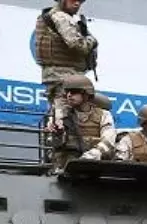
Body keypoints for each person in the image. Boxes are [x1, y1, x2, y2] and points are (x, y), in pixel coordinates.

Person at [34, 0, 98, 135]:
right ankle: (63, 151)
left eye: (80, 1)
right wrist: (92, 40)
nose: (77, 3)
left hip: (57, 75)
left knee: (57, 115)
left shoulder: (51, 16)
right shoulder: (61, 17)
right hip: (66, 76)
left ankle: (56, 149)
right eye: (73, 0)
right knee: (65, 118)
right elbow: (77, 44)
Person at [49, 74, 114, 172]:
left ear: (86, 94)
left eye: (74, 91)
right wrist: (57, 133)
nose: (69, 95)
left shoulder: (103, 115)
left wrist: (91, 156)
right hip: (65, 169)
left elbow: (109, 141)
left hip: (95, 167)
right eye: (67, 92)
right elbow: (52, 143)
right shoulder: (62, 115)